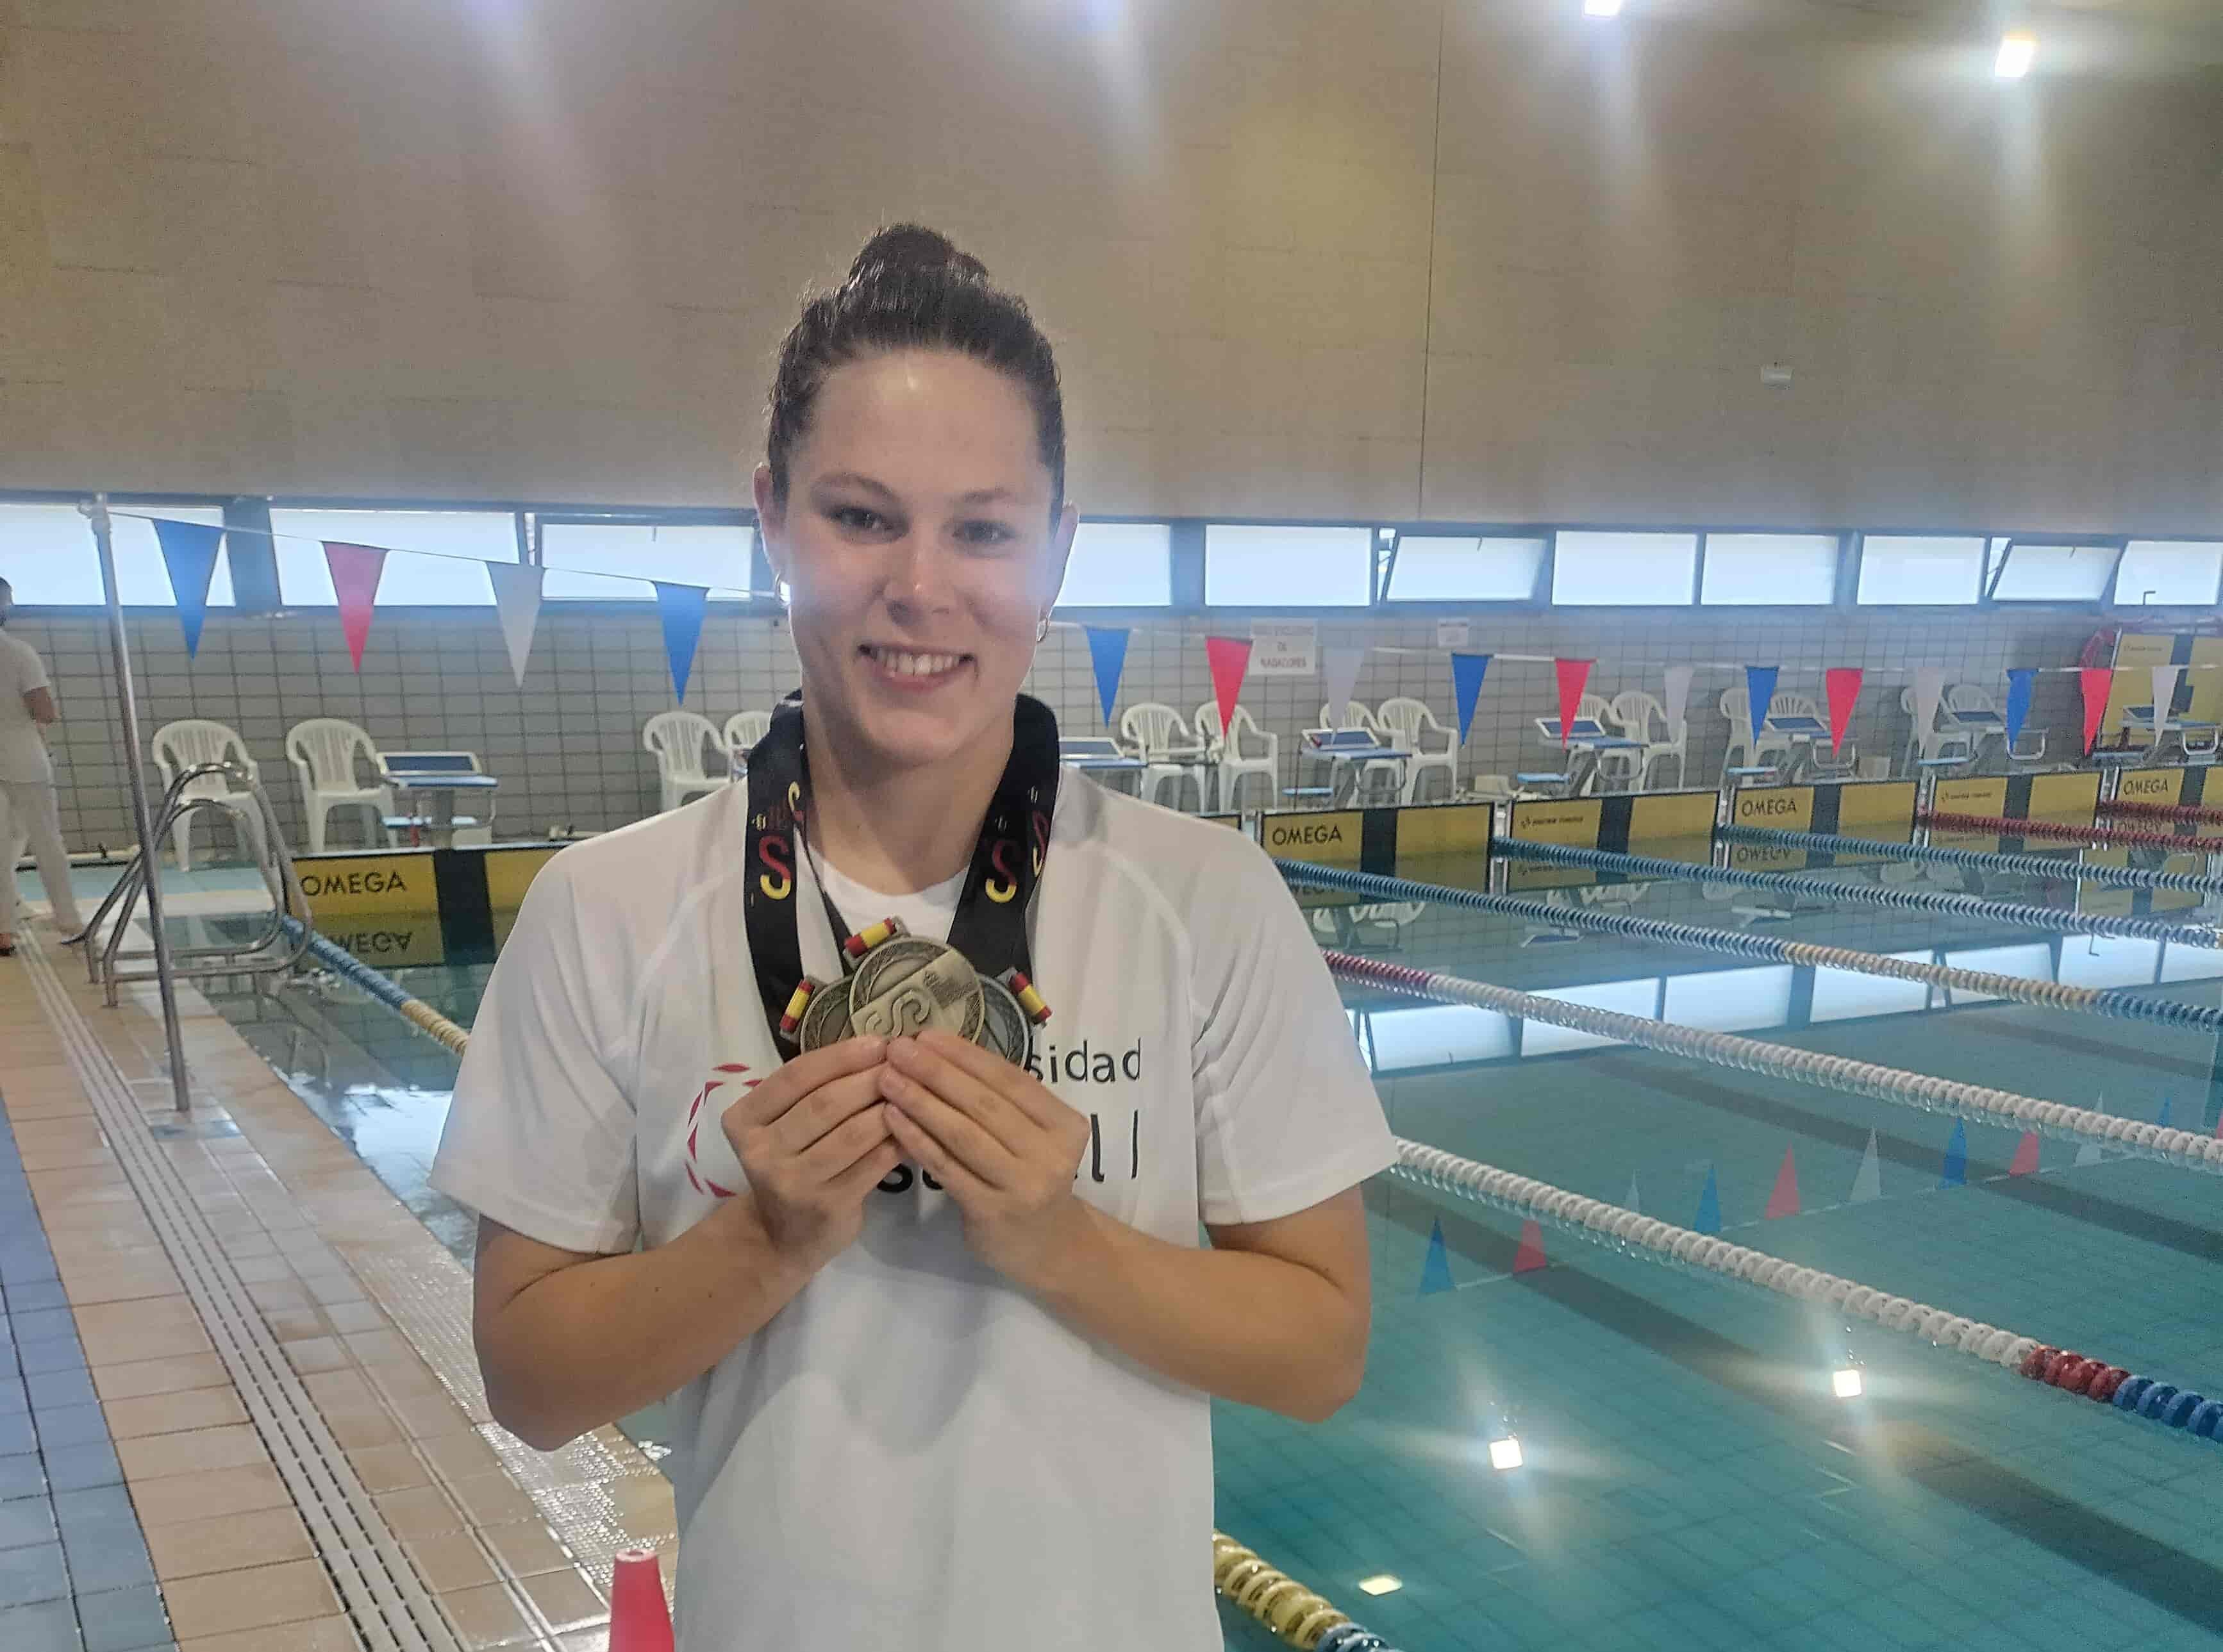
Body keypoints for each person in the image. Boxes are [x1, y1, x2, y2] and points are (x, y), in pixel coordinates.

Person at [431, 226, 1396, 1649]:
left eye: (985, 528)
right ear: (773, 519)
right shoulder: (608, 908)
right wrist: (766, 1236)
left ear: (1060, 543)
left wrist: (1057, 1239)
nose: (924, 587)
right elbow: (530, 1376)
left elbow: (1320, 1350)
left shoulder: (1202, 898)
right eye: (863, 516)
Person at [0, 576, 88, 956]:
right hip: (23, 755)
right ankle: (68, 920)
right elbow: (44, 711)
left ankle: (3, 931)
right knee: (47, 842)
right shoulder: (18, 652)